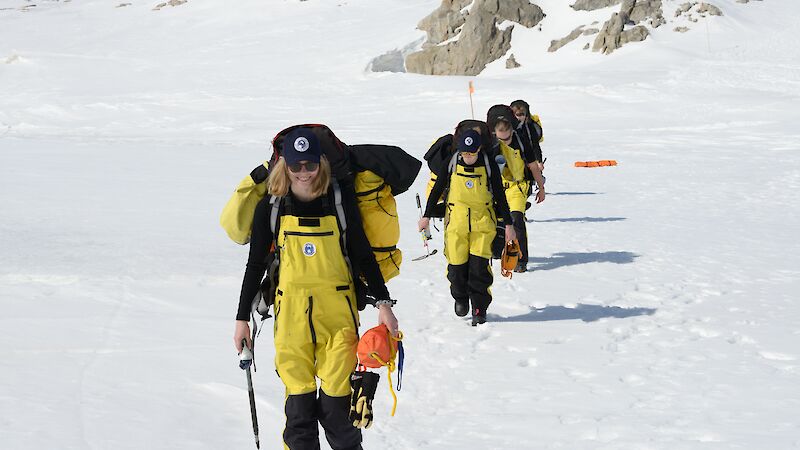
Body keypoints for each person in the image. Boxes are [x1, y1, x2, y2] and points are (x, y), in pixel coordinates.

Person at [233, 128, 399, 450]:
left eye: (310, 165)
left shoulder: (339, 200)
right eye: (297, 166)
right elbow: (255, 265)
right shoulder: (271, 207)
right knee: (299, 414)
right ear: (286, 167)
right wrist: (242, 318)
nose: (304, 173)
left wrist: (383, 303)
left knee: (338, 410)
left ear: (321, 163)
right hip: (291, 317)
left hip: (337, 315)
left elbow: (363, 254)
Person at [418, 128, 516, 326]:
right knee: (456, 269)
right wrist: (427, 215)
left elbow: (500, 196)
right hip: (456, 225)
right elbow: (437, 190)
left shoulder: (489, 165)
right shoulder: (452, 163)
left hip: (483, 225)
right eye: (464, 153)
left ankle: (480, 309)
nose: (468, 157)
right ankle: (460, 297)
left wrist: (508, 225)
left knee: (479, 270)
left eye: (472, 153)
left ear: (479, 149)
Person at [487, 106, 545, 273]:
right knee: (493, 219)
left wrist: (541, 188)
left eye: (507, 139)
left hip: (517, 186)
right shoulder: (491, 144)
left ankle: (521, 260)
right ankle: (494, 250)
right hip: (497, 186)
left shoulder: (521, 140)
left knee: (516, 220)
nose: (504, 143)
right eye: (501, 139)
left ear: (512, 131)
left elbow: (533, 166)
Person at [510, 99, 545, 172]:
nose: (518, 118)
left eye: (521, 114)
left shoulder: (530, 127)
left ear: (526, 115)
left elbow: (535, 144)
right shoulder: (507, 126)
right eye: (516, 115)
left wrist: (539, 161)